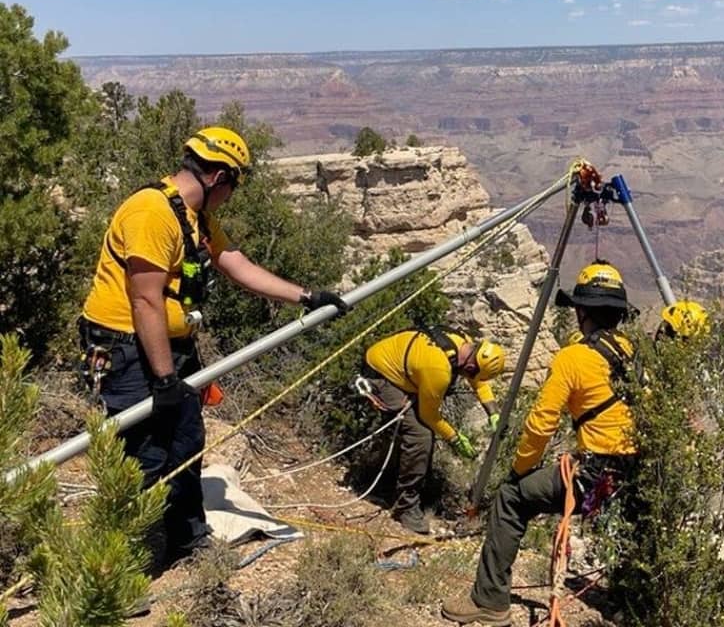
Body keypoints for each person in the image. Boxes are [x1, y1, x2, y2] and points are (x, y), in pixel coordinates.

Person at [79, 126, 348, 567]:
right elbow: (144, 299)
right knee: (144, 454)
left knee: (186, 441)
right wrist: (164, 378)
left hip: (170, 346)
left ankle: (188, 540)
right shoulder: (152, 212)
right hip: (127, 349)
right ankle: (123, 565)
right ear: (219, 177)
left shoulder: (195, 215)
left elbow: (233, 263)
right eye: (233, 187)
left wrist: (306, 296)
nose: (231, 196)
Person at [442, 261, 639, 626]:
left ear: (581, 311)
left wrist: (519, 471)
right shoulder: (632, 351)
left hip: (594, 475)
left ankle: (489, 601)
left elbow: (541, 423)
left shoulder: (573, 357)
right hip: (634, 473)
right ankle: (641, 596)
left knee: (511, 499)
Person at [361, 328, 506, 534]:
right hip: (382, 376)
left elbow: (478, 381)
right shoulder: (439, 369)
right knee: (420, 435)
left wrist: (493, 412)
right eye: (472, 372)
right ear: (472, 364)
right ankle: (406, 506)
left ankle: (409, 483)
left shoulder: (464, 344)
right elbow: (429, 416)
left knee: (419, 430)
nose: (470, 377)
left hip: (401, 369)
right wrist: (455, 439)